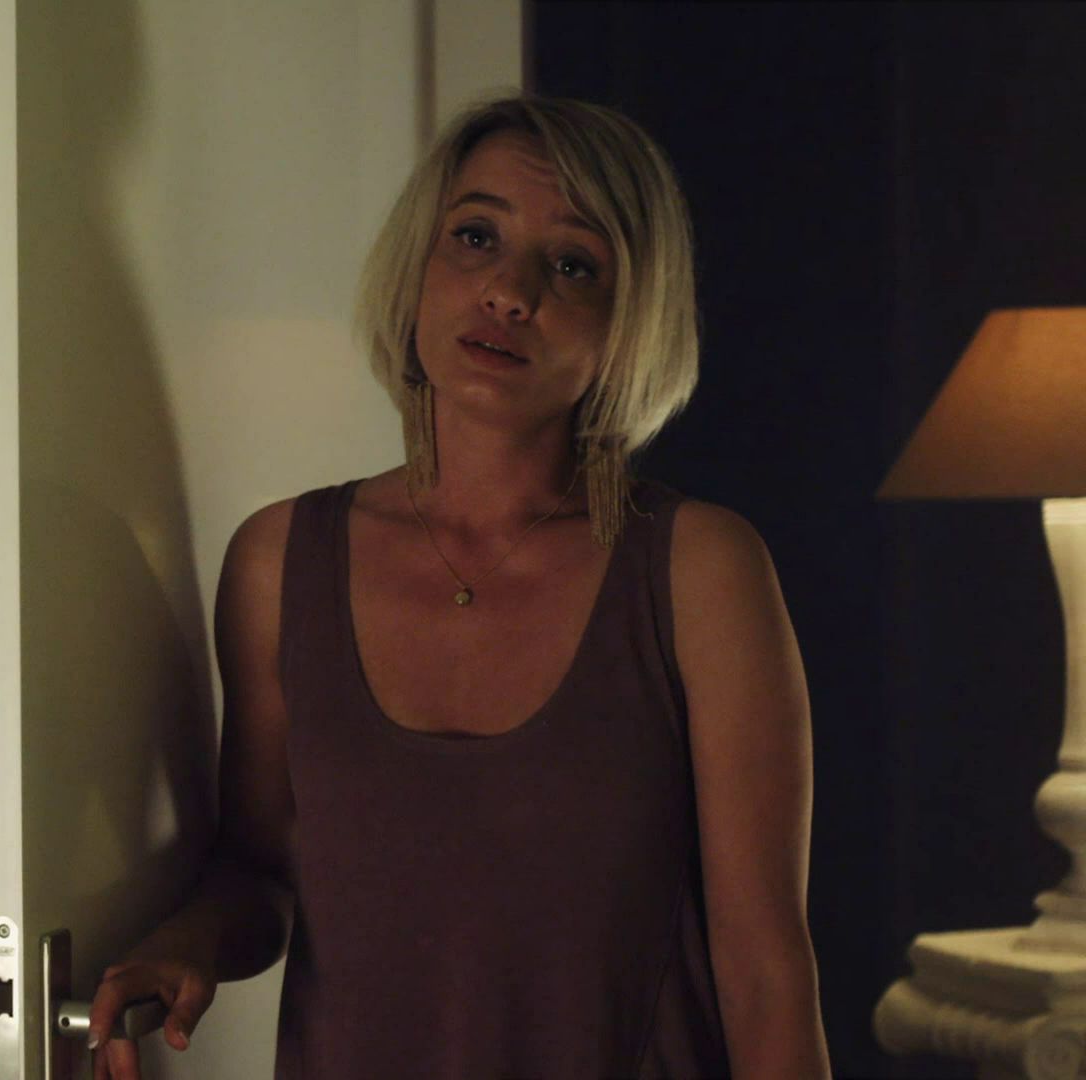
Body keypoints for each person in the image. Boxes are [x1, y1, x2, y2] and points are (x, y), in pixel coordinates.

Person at [85, 93, 830, 1078]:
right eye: (476, 237)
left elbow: (765, 973)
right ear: (416, 269)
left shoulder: (697, 570)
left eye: (573, 264)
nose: (510, 293)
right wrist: (183, 946)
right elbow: (261, 871)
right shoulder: (279, 563)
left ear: (629, 320)